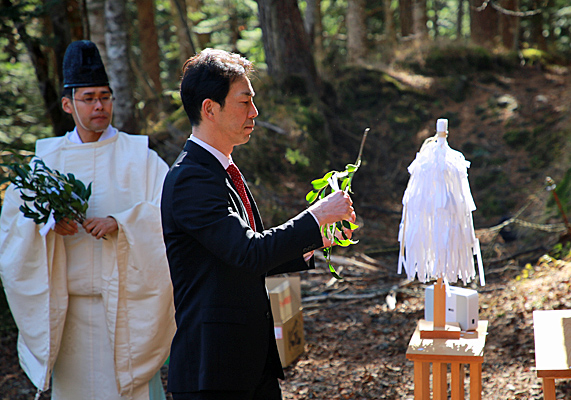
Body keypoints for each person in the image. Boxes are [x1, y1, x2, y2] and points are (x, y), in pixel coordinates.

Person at [161, 48, 357, 400]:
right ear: (210, 108)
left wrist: (320, 239)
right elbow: (249, 251)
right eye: (244, 101)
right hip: (213, 372)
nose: (255, 112)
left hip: (249, 365)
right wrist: (316, 216)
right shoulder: (191, 178)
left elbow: (245, 254)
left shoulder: (219, 170)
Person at [0, 40, 176, 399]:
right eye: (89, 98)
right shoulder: (46, 163)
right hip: (71, 318)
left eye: (105, 97)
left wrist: (122, 223)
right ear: (68, 104)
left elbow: (171, 213)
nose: (99, 106)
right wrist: (46, 225)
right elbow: (12, 229)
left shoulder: (140, 157)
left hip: (129, 311)